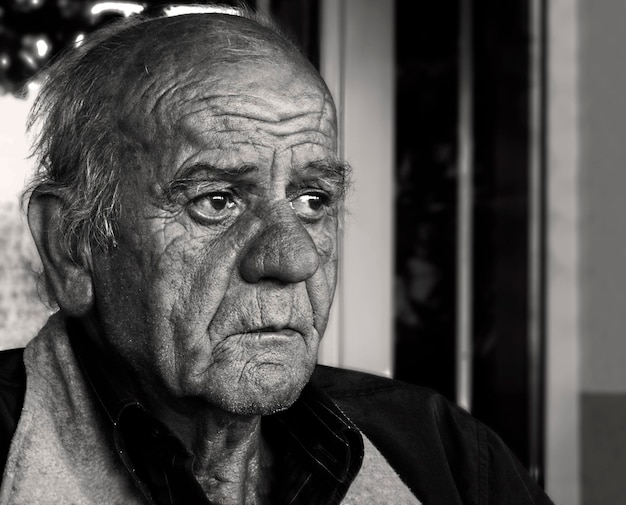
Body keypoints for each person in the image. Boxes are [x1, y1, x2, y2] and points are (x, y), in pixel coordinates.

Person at [0, 7, 554, 505]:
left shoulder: (442, 456)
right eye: (215, 201)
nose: (294, 260)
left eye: (313, 201)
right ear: (71, 245)